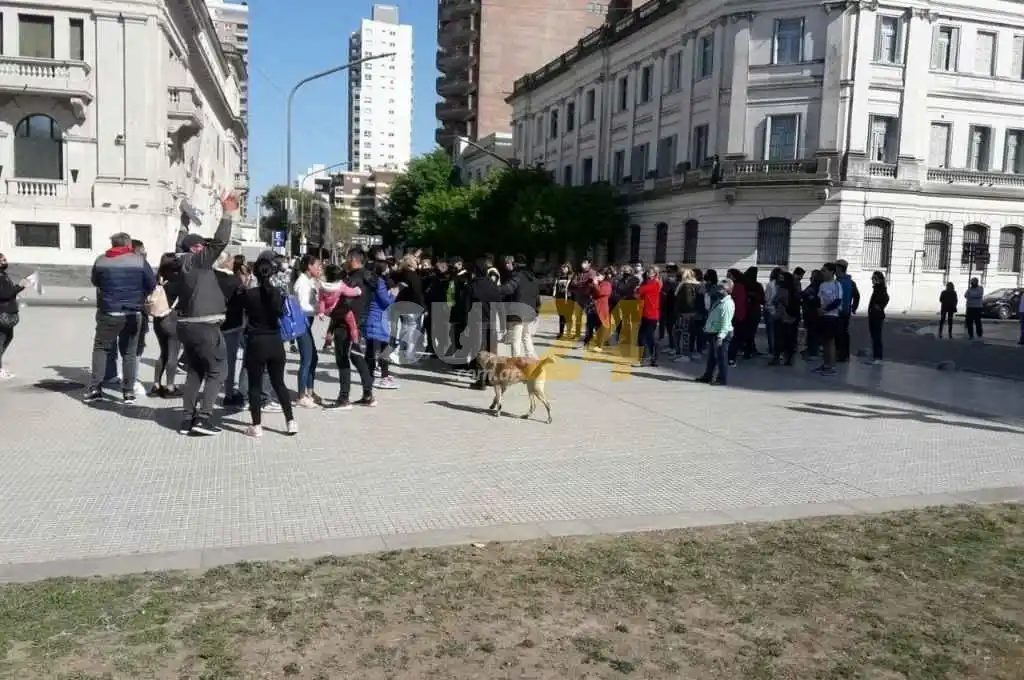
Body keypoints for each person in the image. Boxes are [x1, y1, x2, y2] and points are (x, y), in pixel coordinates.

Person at [173, 192, 238, 436]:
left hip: (186, 326)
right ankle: (204, 419)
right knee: (216, 372)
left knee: (194, 372)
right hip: (205, 326)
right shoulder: (197, 261)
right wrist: (228, 214)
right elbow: (220, 241)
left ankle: (186, 419)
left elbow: (180, 239)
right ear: (195, 248)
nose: (205, 248)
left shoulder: (178, 264)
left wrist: (183, 221)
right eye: (201, 244)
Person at [83, 232, 156, 404]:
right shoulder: (139, 261)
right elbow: (151, 284)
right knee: (129, 353)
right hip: (133, 313)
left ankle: (95, 388)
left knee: (101, 349)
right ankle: (128, 392)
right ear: (129, 244)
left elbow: (96, 281)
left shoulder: (101, 260)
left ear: (112, 244)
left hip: (108, 312)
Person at [239, 258, 297, 437]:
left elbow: (241, 311)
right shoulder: (278, 294)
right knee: (279, 383)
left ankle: (256, 426)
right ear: (272, 273)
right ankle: (291, 421)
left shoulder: (249, 295)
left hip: (257, 342)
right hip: (275, 341)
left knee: (255, 386)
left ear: (255, 272)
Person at [327, 248, 376, 408]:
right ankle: (368, 394)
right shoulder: (369, 277)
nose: (346, 261)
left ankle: (343, 397)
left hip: (346, 323)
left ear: (354, 259)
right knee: (356, 357)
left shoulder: (352, 279)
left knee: (342, 359)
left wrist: (331, 317)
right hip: (360, 322)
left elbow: (344, 303)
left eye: (348, 258)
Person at [465, 258, 505, 390]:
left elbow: (466, 307)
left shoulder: (472, 285)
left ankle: (480, 381)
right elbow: (499, 305)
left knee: (479, 351)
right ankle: (490, 378)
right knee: (491, 351)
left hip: (477, 322)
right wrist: (503, 322)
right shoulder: (492, 284)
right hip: (492, 322)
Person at [292, 255, 324, 407]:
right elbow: (301, 306)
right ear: (309, 267)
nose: (320, 268)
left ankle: (310, 391)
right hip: (301, 324)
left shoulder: (310, 281)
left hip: (307, 325)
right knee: (306, 359)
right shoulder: (302, 283)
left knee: (314, 358)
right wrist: (318, 309)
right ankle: (300, 396)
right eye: (318, 265)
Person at [150, 253, 182, 397]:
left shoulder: (158, 279)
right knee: (173, 354)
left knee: (163, 352)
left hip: (158, 320)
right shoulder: (178, 280)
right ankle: (170, 386)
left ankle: (156, 384)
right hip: (172, 319)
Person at [499, 255, 541, 358]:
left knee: (515, 339)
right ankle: (533, 359)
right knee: (526, 336)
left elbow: (508, 289)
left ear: (516, 264)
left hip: (517, 313)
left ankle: (516, 363)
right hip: (529, 312)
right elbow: (537, 298)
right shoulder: (533, 278)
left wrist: (494, 289)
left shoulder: (517, 277)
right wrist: (536, 311)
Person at [696, 280, 735, 385]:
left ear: (727, 290)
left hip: (721, 334)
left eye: (721, 288)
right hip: (713, 332)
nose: (718, 289)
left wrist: (720, 337)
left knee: (721, 357)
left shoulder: (727, 304)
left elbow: (725, 323)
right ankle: (707, 376)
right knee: (712, 357)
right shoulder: (719, 301)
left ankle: (722, 379)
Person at [0, 253, 30, 381]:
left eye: (5, 259)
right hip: (3, 312)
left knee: (8, 337)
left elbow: (9, 292)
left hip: (9, 312)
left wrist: (19, 288)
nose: (4, 262)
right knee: (1, 340)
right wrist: (20, 286)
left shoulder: (3, 275)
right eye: (1, 260)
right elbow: (5, 294)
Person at [815, 262, 843, 376]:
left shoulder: (836, 284)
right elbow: (818, 298)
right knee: (824, 342)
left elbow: (837, 301)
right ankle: (825, 364)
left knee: (830, 342)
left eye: (824, 270)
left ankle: (831, 366)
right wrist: (818, 309)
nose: (822, 272)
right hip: (823, 316)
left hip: (832, 316)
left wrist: (825, 309)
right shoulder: (822, 285)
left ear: (831, 272)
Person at [635, 266, 662, 366]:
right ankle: (650, 358)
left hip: (652, 314)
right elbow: (637, 294)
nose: (648, 274)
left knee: (647, 337)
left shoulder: (656, 283)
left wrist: (639, 289)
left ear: (655, 274)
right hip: (644, 313)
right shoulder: (646, 283)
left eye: (650, 272)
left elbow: (640, 291)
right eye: (647, 272)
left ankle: (649, 358)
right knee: (643, 337)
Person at [867, 271, 890, 364]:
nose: (872, 280)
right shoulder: (877, 288)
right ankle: (876, 356)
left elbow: (886, 298)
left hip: (877, 316)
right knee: (874, 336)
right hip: (873, 315)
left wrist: (880, 306)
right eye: (872, 278)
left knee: (876, 336)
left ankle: (878, 357)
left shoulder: (880, 288)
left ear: (879, 280)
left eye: (874, 278)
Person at [553, 263, 574, 339]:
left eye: (565, 267)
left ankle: (569, 332)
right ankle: (561, 332)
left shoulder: (571, 276)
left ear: (569, 268)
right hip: (559, 299)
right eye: (563, 267)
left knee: (568, 316)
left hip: (568, 299)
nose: (564, 269)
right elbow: (555, 286)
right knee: (561, 316)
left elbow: (574, 287)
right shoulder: (558, 276)